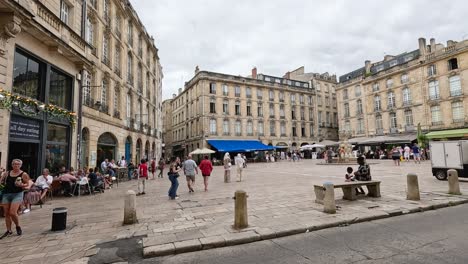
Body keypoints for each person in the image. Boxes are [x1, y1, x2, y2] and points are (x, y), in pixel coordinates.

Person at [0, 159, 30, 239]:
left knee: (12, 212)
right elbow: (1, 182)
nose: (16, 165)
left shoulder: (24, 174)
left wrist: (21, 185)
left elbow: (28, 184)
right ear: (12, 165)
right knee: (6, 213)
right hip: (6, 194)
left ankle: (17, 226)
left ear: (20, 165)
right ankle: (9, 230)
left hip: (17, 194)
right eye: (14, 164)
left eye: (17, 164)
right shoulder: (7, 173)